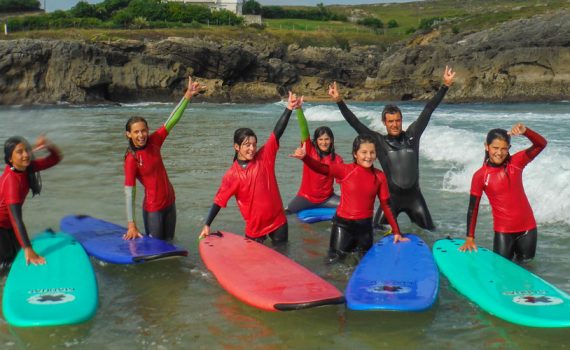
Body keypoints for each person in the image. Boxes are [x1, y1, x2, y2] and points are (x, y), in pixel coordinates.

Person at [328, 66, 456, 230]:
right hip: (391, 200)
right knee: (375, 233)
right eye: (390, 121)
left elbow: (428, 110)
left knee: (431, 234)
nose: (395, 124)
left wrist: (445, 86)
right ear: (384, 123)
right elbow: (356, 124)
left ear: (401, 120)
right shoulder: (379, 142)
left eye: (397, 120)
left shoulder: (412, 136)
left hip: (415, 198)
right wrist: (339, 101)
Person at [198, 92, 301, 245]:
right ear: (236, 147)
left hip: (278, 221)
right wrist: (207, 224)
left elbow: (276, 133)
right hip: (255, 228)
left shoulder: (264, 157)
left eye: (254, 144)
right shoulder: (232, 175)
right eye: (247, 145)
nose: (252, 148)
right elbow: (219, 201)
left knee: (282, 256)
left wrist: (289, 108)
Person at [290, 133, 407, 262]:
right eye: (364, 152)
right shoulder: (345, 170)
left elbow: (386, 204)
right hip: (343, 226)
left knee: (363, 263)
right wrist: (305, 158)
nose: (368, 156)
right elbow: (322, 168)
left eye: (372, 152)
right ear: (355, 154)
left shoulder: (379, 176)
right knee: (333, 262)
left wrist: (396, 232)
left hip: (365, 228)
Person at [123, 76, 206, 241]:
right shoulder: (131, 158)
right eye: (136, 132)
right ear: (129, 134)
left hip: (170, 202)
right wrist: (131, 224)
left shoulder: (154, 141)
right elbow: (129, 192)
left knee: (171, 243)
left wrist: (188, 95)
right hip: (153, 209)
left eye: (143, 130)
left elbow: (172, 120)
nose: (141, 135)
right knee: (157, 250)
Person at [459, 123, 547, 262]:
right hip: (504, 232)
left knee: (527, 271)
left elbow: (541, 144)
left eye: (504, 149)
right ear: (486, 146)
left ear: (509, 149)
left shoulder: (516, 163)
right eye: (495, 148)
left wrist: (526, 132)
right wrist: (470, 237)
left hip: (528, 230)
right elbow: (473, 208)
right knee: (500, 271)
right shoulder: (480, 176)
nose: (499, 153)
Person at [0, 135, 62, 268]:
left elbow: (55, 159)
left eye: (27, 150)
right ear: (10, 158)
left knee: (15, 259)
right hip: (2, 225)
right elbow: (17, 219)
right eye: (20, 152)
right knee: (5, 264)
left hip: (8, 224)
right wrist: (28, 249)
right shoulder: (11, 180)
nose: (26, 154)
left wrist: (47, 145)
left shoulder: (27, 168)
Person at [286, 101, 343, 213]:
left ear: (331, 140)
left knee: (349, 206)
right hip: (305, 197)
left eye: (326, 139)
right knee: (287, 213)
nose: (324, 142)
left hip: (328, 199)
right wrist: (299, 109)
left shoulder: (337, 159)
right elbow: (304, 130)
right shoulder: (309, 150)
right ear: (316, 141)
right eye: (320, 139)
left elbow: (342, 182)